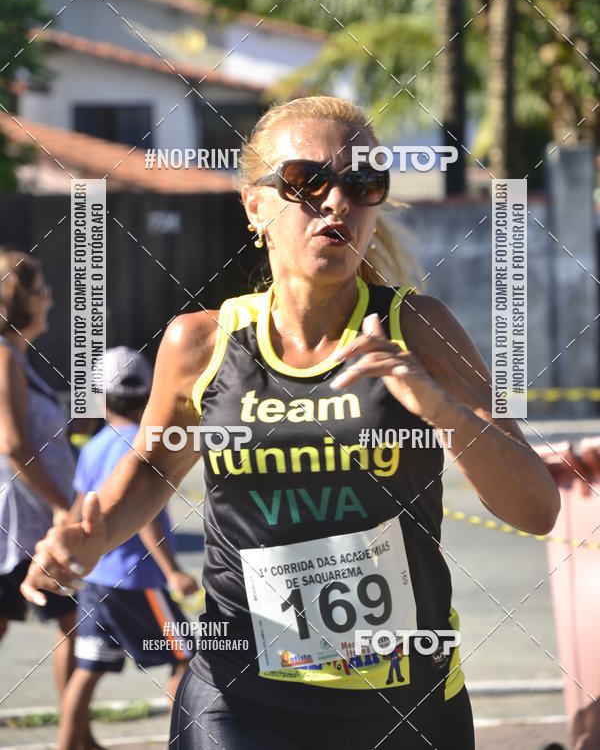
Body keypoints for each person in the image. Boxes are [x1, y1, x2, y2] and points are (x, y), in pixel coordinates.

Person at [21, 96, 561, 750]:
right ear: (255, 205)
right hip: (237, 695)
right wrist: (91, 535)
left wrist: (439, 407)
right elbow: (156, 467)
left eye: (364, 185)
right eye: (307, 182)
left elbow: (537, 508)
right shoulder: (202, 341)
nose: (337, 202)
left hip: (405, 702)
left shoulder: (418, 328)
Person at [57, 347, 199, 750]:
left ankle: (66, 745)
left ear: (102, 397)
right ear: (151, 392)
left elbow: (79, 507)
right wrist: (172, 571)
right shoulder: (144, 445)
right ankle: (181, 742)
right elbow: (148, 520)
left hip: (95, 579)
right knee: (186, 661)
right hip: (138, 578)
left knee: (89, 667)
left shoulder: (94, 445)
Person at [0, 249, 78, 708]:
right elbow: (12, 445)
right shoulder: (5, 355)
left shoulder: (18, 359)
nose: (50, 299)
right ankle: (74, 733)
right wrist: (61, 504)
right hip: (20, 522)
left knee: (71, 617)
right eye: (42, 290)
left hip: (34, 518)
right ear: (19, 300)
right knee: (69, 618)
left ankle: (75, 731)